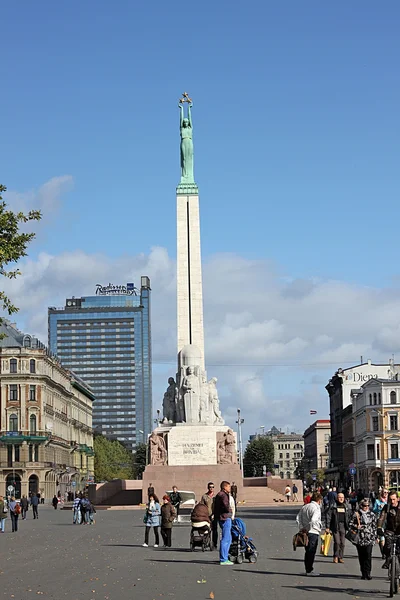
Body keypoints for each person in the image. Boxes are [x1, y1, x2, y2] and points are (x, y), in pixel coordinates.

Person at [296, 491, 323, 576]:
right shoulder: (316, 508)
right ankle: (309, 570)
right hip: (313, 531)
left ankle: (308, 568)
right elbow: (314, 520)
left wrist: (302, 528)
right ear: (319, 500)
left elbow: (298, 518)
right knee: (311, 551)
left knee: (307, 551)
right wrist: (315, 526)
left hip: (305, 531)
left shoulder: (305, 507)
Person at [352, 498, 377, 580]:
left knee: (368, 555)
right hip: (360, 538)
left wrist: (375, 537)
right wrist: (356, 526)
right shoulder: (357, 514)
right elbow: (350, 524)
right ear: (361, 506)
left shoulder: (372, 514)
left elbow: (374, 526)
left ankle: (368, 573)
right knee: (361, 556)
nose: (366, 507)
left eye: (367, 506)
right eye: (364, 505)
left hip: (369, 538)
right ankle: (363, 572)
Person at [324, 491, 351, 563]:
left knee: (343, 543)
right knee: (337, 542)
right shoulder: (333, 506)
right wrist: (327, 527)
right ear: (337, 498)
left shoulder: (346, 506)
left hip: (343, 526)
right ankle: (335, 556)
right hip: (335, 526)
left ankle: (340, 557)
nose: (341, 499)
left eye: (342, 497)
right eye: (339, 497)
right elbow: (328, 516)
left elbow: (349, 516)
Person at [378, 490, 400, 569]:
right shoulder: (386, 507)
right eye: (390, 499)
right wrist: (379, 527)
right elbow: (381, 518)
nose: (392, 501)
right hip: (389, 530)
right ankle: (387, 559)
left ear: (398, 499)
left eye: (394, 499)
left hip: (399, 530)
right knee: (387, 545)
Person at [214, 481, 233, 566]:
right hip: (225, 517)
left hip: (220, 517)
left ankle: (224, 557)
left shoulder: (218, 495)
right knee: (226, 538)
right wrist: (230, 510)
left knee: (227, 538)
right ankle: (224, 558)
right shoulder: (224, 495)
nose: (230, 488)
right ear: (225, 487)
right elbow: (226, 506)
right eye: (229, 487)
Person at [201, 482, 217, 550]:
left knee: (214, 530)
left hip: (214, 515)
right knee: (206, 529)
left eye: (213, 487)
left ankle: (214, 544)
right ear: (208, 488)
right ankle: (205, 542)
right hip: (206, 515)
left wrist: (215, 514)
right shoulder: (204, 496)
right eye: (210, 487)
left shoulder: (216, 496)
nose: (211, 488)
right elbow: (202, 505)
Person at [373, 488, 388, 558]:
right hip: (380, 520)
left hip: (388, 521)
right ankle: (383, 553)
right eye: (384, 492)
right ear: (381, 493)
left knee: (387, 537)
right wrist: (379, 507)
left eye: (387, 492)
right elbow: (374, 509)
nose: (385, 494)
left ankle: (387, 551)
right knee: (382, 537)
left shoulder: (389, 501)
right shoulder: (377, 501)